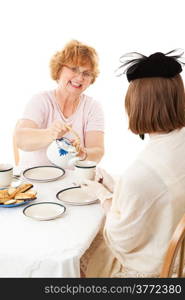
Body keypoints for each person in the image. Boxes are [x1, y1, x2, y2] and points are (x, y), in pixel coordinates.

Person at [80, 49, 185, 277]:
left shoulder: (140, 175)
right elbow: (158, 197)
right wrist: (116, 188)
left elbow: (121, 239)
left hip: (155, 274)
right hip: (180, 256)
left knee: (75, 256)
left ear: (137, 105)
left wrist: (104, 196)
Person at [14, 40, 104, 168]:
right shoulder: (41, 100)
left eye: (86, 73)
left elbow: (98, 151)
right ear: (59, 69)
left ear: (91, 79)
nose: (79, 78)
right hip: (35, 180)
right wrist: (50, 133)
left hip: (71, 182)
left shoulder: (93, 107)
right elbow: (20, 139)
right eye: (74, 69)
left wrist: (82, 153)